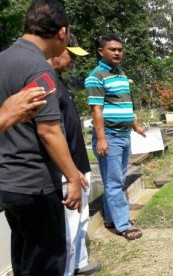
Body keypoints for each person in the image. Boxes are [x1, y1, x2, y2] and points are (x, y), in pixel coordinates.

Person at [0, 1, 86, 275]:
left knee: (24, 260)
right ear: (62, 32)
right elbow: (48, 131)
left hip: (8, 182)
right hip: (35, 184)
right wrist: (73, 177)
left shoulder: (3, 59)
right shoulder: (39, 69)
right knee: (46, 265)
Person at [48, 34, 101, 276]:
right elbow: (52, 132)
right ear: (56, 47)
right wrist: (72, 172)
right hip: (68, 169)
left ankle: (79, 262)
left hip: (79, 163)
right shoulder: (46, 81)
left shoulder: (60, 80)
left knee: (81, 221)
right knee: (68, 228)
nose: (74, 62)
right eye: (71, 55)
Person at [85, 34, 145, 240]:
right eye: (113, 49)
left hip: (123, 135)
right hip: (109, 136)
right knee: (114, 182)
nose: (118, 52)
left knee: (116, 179)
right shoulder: (96, 76)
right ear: (101, 51)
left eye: (120, 49)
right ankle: (123, 225)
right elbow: (97, 110)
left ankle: (111, 219)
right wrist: (101, 139)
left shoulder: (120, 74)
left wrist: (135, 125)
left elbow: (126, 104)